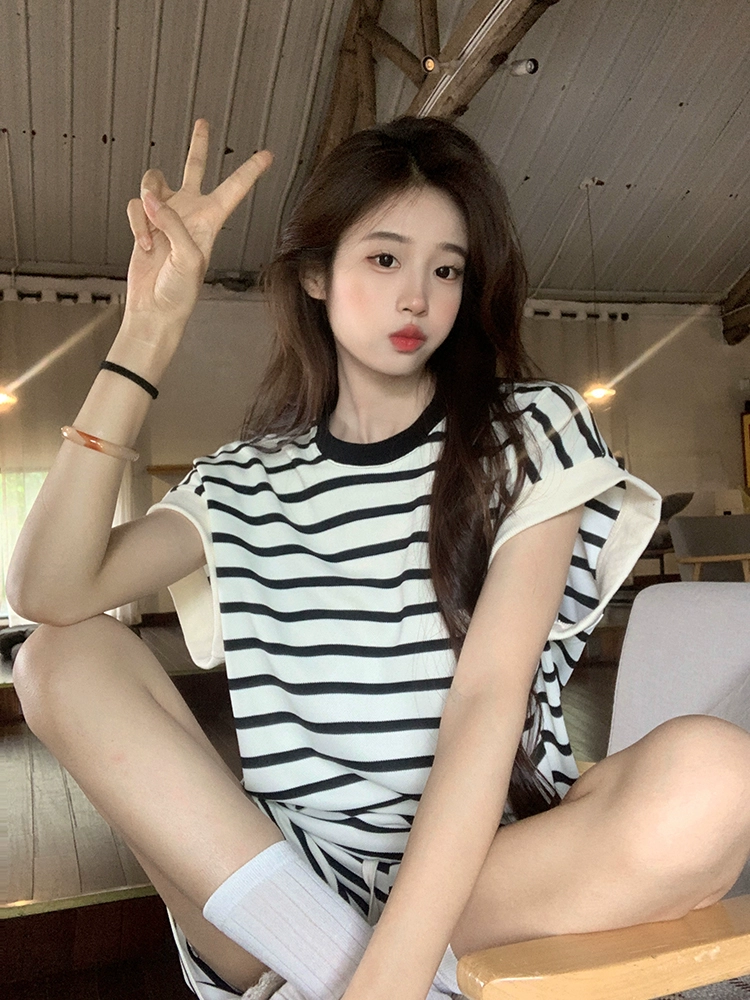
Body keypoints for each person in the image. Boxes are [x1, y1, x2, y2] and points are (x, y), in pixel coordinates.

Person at [8, 116, 750, 1000]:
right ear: (316, 274)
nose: (417, 299)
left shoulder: (529, 431)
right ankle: (349, 965)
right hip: (281, 890)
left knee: (715, 776)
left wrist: (388, 973)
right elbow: (45, 590)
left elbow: (486, 699)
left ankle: (345, 977)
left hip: (490, 881)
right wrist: (149, 328)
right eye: (386, 258)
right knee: (60, 655)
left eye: (447, 269)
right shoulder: (240, 481)